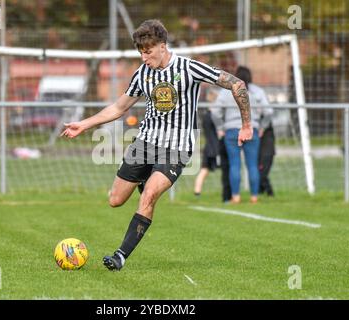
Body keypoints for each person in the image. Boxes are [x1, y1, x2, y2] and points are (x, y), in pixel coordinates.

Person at [61, 20, 252, 271]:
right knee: (115, 200)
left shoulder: (189, 67)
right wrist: (84, 125)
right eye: (140, 52)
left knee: (150, 195)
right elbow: (119, 107)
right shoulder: (142, 73)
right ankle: (143, 181)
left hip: (177, 147)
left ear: (163, 46)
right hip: (146, 143)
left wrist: (246, 124)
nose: (144, 57)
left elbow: (237, 84)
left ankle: (120, 256)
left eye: (148, 51)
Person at [212, 66, 271, 204]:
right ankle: (254, 197)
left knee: (234, 165)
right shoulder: (257, 91)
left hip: (231, 131)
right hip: (251, 130)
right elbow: (268, 112)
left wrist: (220, 128)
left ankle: (236, 197)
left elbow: (215, 112)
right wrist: (262, 127)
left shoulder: (225, 92)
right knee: (252, 165)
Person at [193, 88, 231, 202]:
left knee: (204, 170)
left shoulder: (206, 115)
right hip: (216, 147)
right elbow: (220, 132)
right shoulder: (215, 116)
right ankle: (227, 195)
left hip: (208, 146)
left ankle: (197, 192)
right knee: (226, 169)